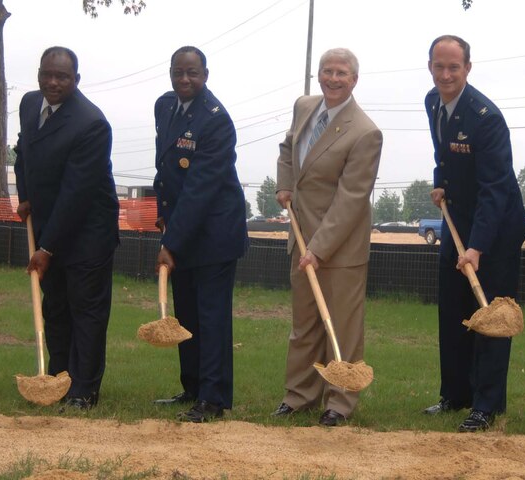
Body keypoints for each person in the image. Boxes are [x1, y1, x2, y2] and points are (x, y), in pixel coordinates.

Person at [272, 48, 382, 427]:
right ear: (319, 75)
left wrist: (318, 250)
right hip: (301, 237)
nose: (334, 78)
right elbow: (289, 146)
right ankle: (299, 396)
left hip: (340, 248)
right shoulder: (304, 106)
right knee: (304, 325)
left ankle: (339, 402)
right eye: (327, 71)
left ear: (354, 80)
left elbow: (351, 199)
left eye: (342, 73)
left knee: (342, 329)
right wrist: (285, 184)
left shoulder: (365, 132)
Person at [422, 35, 525, 432]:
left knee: (491, 316)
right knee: (454, 311)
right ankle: (455, 394)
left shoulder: (487, 117)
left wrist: (478, 247)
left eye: (454, 67)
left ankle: (486, 404)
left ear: (467, 68)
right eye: (439, 66)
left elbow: (496, 187)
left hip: (495, 229)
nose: (446, 74)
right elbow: (443, 155)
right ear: (430, 67)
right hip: (458, 221)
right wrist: (440, 183)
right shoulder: (433, 101)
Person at [14, 46, 120, 410]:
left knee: (85, 310)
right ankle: (58, 376)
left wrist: (47, 248)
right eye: (47, 74)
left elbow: (77, 193)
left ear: (77, 80)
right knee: (55, 305)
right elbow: (22, 154)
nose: (53, 82)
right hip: (50, 226)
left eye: (62, 76)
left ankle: (84, 390)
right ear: (39, 73)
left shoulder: (91, 123)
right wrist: (25, 196)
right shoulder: (30, 104)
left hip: (88, 231)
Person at [152, 46, 249, 423]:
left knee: (211, 319)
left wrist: (170, 243)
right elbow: (166, 169)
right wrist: (164, 217)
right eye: (178, 72)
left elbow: (200, 188)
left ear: (205, 74)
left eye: (192, 73)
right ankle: (192, 387)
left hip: (214, 231)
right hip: (182, 225)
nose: (184, 80)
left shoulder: (216, 121)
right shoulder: (165, 106)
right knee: (187, 315)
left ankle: (213, 397)